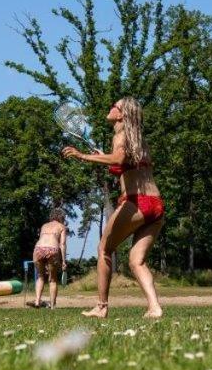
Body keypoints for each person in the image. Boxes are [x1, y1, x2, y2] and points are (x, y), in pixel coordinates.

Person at [63, 97, 164, 319]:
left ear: (121, 114)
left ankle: (101, 306)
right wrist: (103, 158)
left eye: (115, 106)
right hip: (155, 205)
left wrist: (83, 156)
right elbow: (124, 164)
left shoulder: (120, 135)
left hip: (136, 202)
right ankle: (155, 307)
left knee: (103, 249)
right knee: (137, 260)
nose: (111, 108)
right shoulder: (138, 140)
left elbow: (118, 159)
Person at [30, 209, 68, 309]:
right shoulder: (61, 227)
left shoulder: (44, 226)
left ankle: (37, 301)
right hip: (52, 249)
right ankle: (52, 306)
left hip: (38, 249)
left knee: (40, 276)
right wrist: (63, 261)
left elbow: (42, 239)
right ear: (61, 217)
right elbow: (62, 244)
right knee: (53, 279)